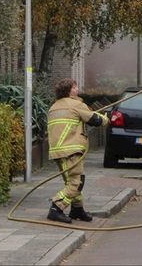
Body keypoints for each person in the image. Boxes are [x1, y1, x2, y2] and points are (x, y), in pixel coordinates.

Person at [46, 78, 108, 223]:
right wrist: (105, 118)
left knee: (74, 180)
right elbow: (95, 120)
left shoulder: (54, 107)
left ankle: (77, 209)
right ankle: (56, 208)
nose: (77, 89)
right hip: (71, 149)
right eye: (75, 87)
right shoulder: (76, 104)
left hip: (58, 151)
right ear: (69, 90)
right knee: (76, 182)